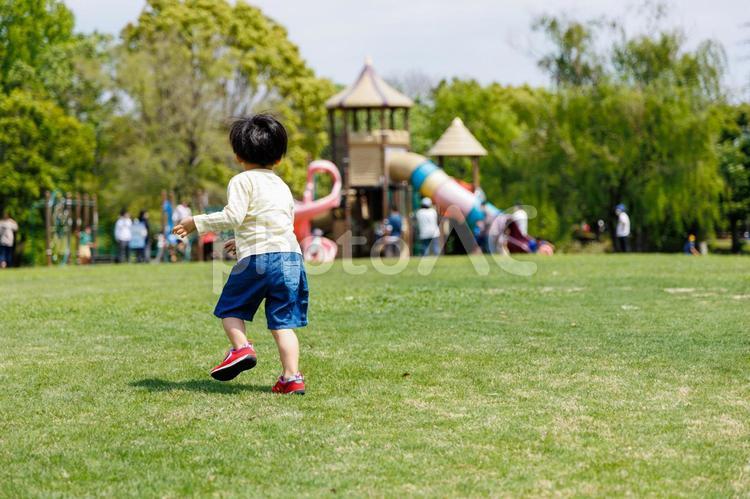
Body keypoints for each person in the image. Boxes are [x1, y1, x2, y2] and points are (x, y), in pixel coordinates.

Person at [172, 114, 308, 395]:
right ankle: (292, 377)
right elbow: (277, 222)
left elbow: (234, 215)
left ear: (238, 155)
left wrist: (195, 222)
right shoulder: (282, 186)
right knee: (283, 323)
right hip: (291, 259)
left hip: (259, 260)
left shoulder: (242, 180)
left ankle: (241, 348)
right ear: (279, 158)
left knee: (231, 309)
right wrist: (241, 240)